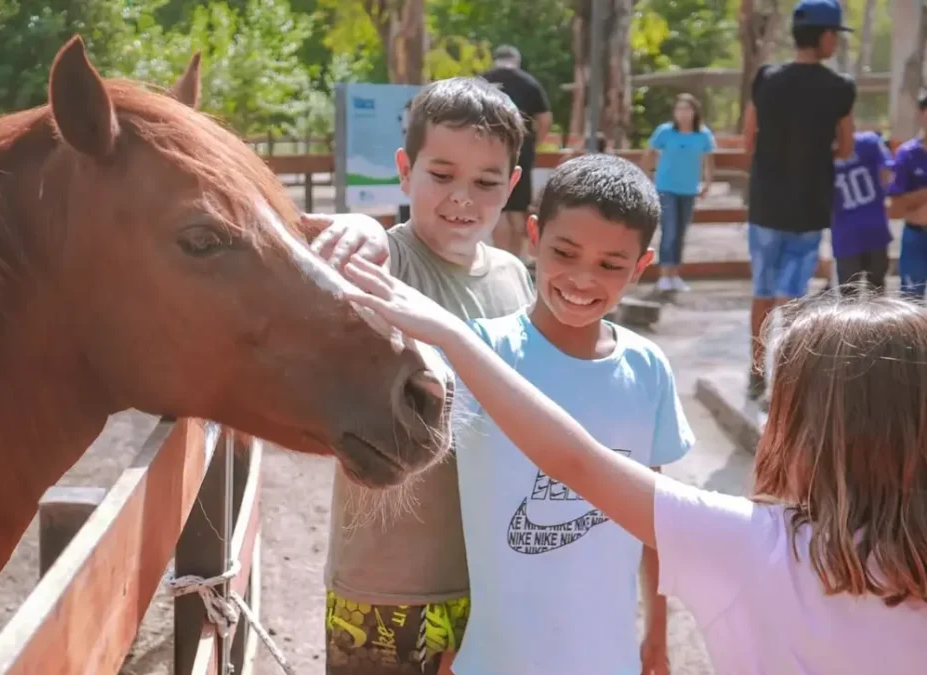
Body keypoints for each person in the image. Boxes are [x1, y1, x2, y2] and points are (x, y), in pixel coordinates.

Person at [342, 249, 927, 675]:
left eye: (781, 405)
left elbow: (575, 461)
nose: (770, 421)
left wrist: (454, 337)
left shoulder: (751, 545)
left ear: (810, 430)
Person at [362, 153, 693, 674]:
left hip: (609, 661)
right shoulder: (477, 352)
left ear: (641, 266)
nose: (583, 279)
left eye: (610, 264)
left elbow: (655, 521)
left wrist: (656, 635)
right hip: (494, 661)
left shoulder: (648, 368)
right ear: (534, 237)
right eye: (566, 252)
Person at [309, 76, 535, 675]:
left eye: (486, 182)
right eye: (441, 175)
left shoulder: (515, 277)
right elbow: (344, 257)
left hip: (488, 580)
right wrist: (356, 227)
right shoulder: (382, 263)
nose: (463, 197)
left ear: (511, 186)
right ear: (405, 170)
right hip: (384, 583)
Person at [741, 0, 855, 401]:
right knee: (792, 297)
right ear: (825, 36)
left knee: (762, 291)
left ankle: (756, 372)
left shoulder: (766, 78)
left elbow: (748, 136)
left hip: (765, 204)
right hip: (808, 208)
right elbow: (845, 148)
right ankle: (785, 381)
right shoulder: (840, 88)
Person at [481, 45, 552, 262]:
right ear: (516, 61)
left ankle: (502, 260)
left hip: (487, 150)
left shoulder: (482, 81)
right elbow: (545, 119)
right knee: (518, 208)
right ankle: (517, 261)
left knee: (499, 207)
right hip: (521, 150)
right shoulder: (529, 83)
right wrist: (533, 143)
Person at [643, 93, 716, 294]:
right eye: (679, 109)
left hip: (688, 190)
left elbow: (708, 160)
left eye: (687, 109)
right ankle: (664, 275)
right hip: (666, 188)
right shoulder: (665, 132)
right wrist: (647, 176)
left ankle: (675, 274)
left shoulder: (703, 135)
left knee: (681, 233)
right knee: (669, 231)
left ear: (695, 112)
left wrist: (708, 183)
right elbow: (649, 153)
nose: (683, 113)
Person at [830, 130, 892, 294]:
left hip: (846, 232)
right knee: (877, 293)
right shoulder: (870, 142)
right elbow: (887, 175)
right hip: (873, 225)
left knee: (849, 298)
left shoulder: (818, 153)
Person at [885, 93, 927, 302]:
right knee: (911, 304)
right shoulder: (907, 154)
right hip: (916, 237)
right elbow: (894, 209)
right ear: (921, 114)